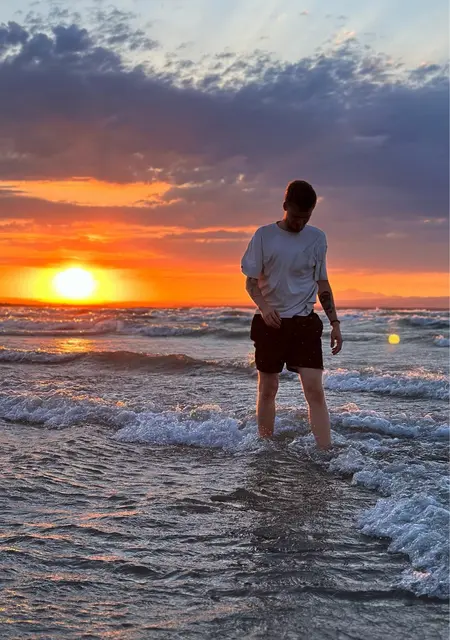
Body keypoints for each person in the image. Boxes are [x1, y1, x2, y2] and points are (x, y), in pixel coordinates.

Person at [241, 180, 343, 449]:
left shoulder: (317, 238)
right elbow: (251, 282)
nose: (300, 223)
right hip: (270, 323)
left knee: (314, 390)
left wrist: (334, 322)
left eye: (306, 218)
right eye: (296, 216)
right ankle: (265, 447)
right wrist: (264, 308)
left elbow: (322, 282)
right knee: (268, 389)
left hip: (304, 323)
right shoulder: (264, 236)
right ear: (285, 206)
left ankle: (325, 451)